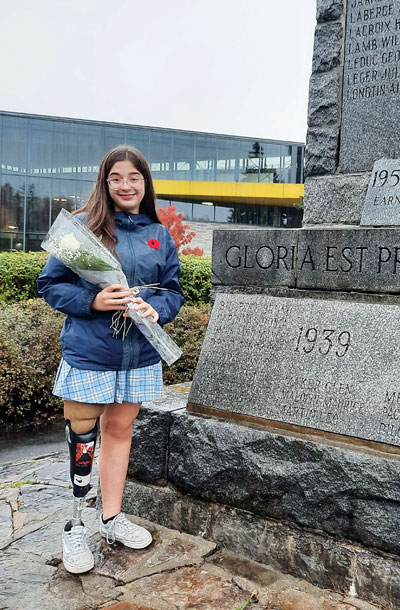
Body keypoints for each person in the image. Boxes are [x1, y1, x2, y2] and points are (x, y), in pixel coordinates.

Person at [37, 145, 184, 574]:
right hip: (90, 354)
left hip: (139, 355)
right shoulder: (81, 229)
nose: (125, 185)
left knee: (119, 432)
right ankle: (75, 526)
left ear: (145, 183)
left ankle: (111, 517)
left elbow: (174, 290)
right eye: (116, 177)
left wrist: (160, 308)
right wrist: (94, 300)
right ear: (105, 182)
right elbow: (49, 285)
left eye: (134, 178)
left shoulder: (159, 232)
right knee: (82, 440)